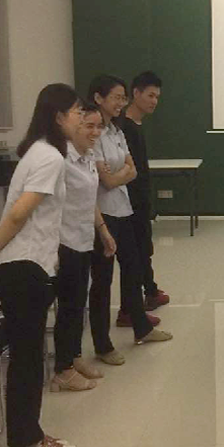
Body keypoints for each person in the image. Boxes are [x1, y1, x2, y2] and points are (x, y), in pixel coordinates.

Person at [0, 83, 81, 447]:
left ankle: (23, 435)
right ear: (58, 116)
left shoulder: (39, 151)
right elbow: (19, 214)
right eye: (77, 112)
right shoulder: (49, 157)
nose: (81, 118)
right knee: (29, 359)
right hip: (25, 268)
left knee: (25, 356)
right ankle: (29, 442)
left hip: (25, 266)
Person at [88, 74, 172, 366]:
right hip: (102, 215)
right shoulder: (94, 132)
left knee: (134, 268)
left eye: (123, 98)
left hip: (123, 210)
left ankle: (141, 327)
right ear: (98, 98)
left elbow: (130, 170)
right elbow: (107, 180)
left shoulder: (117, 129)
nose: (120, 103)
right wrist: (118, 176)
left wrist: (118, 176)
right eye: (116, 97)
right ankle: (103, 345)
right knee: (102, 281)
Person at [51, 103, 117, 391]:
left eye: (98, 126)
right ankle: (62, 370)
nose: (95, 132)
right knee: (68, 305)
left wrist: (103, 230)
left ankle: (74, 357)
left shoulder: (87, 156)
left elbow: (90, 200)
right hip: (63, 242)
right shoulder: (61, 160)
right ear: (73, 126)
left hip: (83, 238)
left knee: (79, 303)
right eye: (88, 125)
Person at [118, 71, 169, 314]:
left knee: (144, 249)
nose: (154, 101)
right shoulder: (123, 127)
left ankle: (150, 290)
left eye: (157, 97)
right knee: (135, 253)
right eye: (150, 95)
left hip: (140, 199)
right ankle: (135, 305)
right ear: (135, 93)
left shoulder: (137, 125)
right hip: (129, 201)